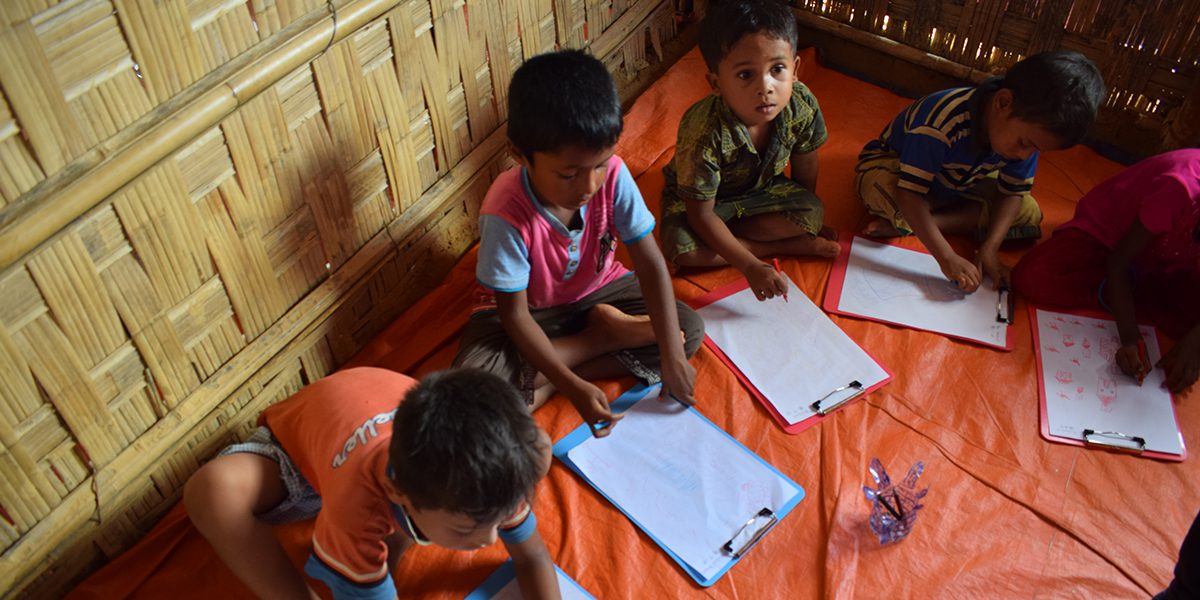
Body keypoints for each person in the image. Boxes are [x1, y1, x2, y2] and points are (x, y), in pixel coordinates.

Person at [453, 50, 703, 436]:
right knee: (467, 394)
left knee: (686, 329)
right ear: (519, 154)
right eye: (568, 173)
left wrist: (670, 355)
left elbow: (650, 262)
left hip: (599, 290)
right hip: (527, 312)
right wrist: (571, 385)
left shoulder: (615, 176)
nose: (588, 186)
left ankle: (544, 378)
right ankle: (596, 342)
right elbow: (515, 317)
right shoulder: (505, 211)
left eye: (600, 165)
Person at [183, 367, 561, 600]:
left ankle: (393, 545)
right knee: (212, 491)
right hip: (297, 459)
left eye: (498, 522)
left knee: (537, 449)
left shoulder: (491, 475)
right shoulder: (357, 510)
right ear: (399, 494)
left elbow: (533, 557)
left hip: (381, 436)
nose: (490, 541)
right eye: (467, 528)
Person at [856, 50, 1105, 293]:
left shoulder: (1022, 136)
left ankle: (916, 222)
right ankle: (916, 217)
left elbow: (1012, 193)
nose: (1025, 155)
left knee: (1029, 211)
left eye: (1036, 149)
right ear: (1003, 102)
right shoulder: (940, 122)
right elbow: (908, 193)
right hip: (898, 167)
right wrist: (946, 257)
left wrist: (990, 248)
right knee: (882, 192)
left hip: (960, 181)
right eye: (1025, 143)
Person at [660, 0, 840, 302]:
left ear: (795, 69)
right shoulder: (702, 131)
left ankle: (738, 240)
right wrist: (751, 264)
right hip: (705, 204)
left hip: (762, 194)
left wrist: (808, 225)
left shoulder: (801, 104)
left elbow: (806, 166)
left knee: (813, 212)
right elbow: (701, 214)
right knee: (684, 250)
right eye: (746, 75)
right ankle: (768, 246)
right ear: (716, 83)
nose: (766, 87)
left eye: (777, 69)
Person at [1012, 149, 1199, 392]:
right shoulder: (1180, 189)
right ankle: (1132, 292)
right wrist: (1130, 337)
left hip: (1169, 260)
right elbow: (1118, 260)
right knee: (1034, 277)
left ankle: (1132, 292)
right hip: (1112, 240)